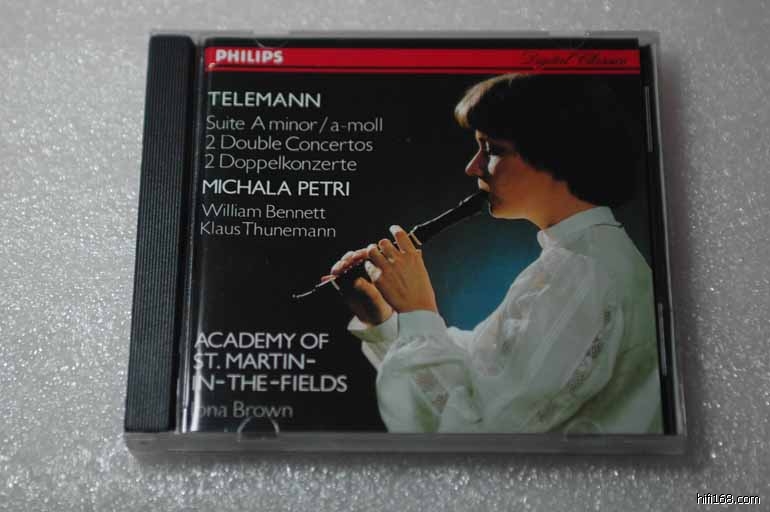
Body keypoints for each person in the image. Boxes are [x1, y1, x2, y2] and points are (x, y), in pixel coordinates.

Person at [328, 74, 663, 434]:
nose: (472, 167)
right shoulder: (579, 259)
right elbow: (479, 372)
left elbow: (479, 431)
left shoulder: (585, 273)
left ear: (557, 152)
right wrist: (383, 318)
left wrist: (418, 309)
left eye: (493, 150)